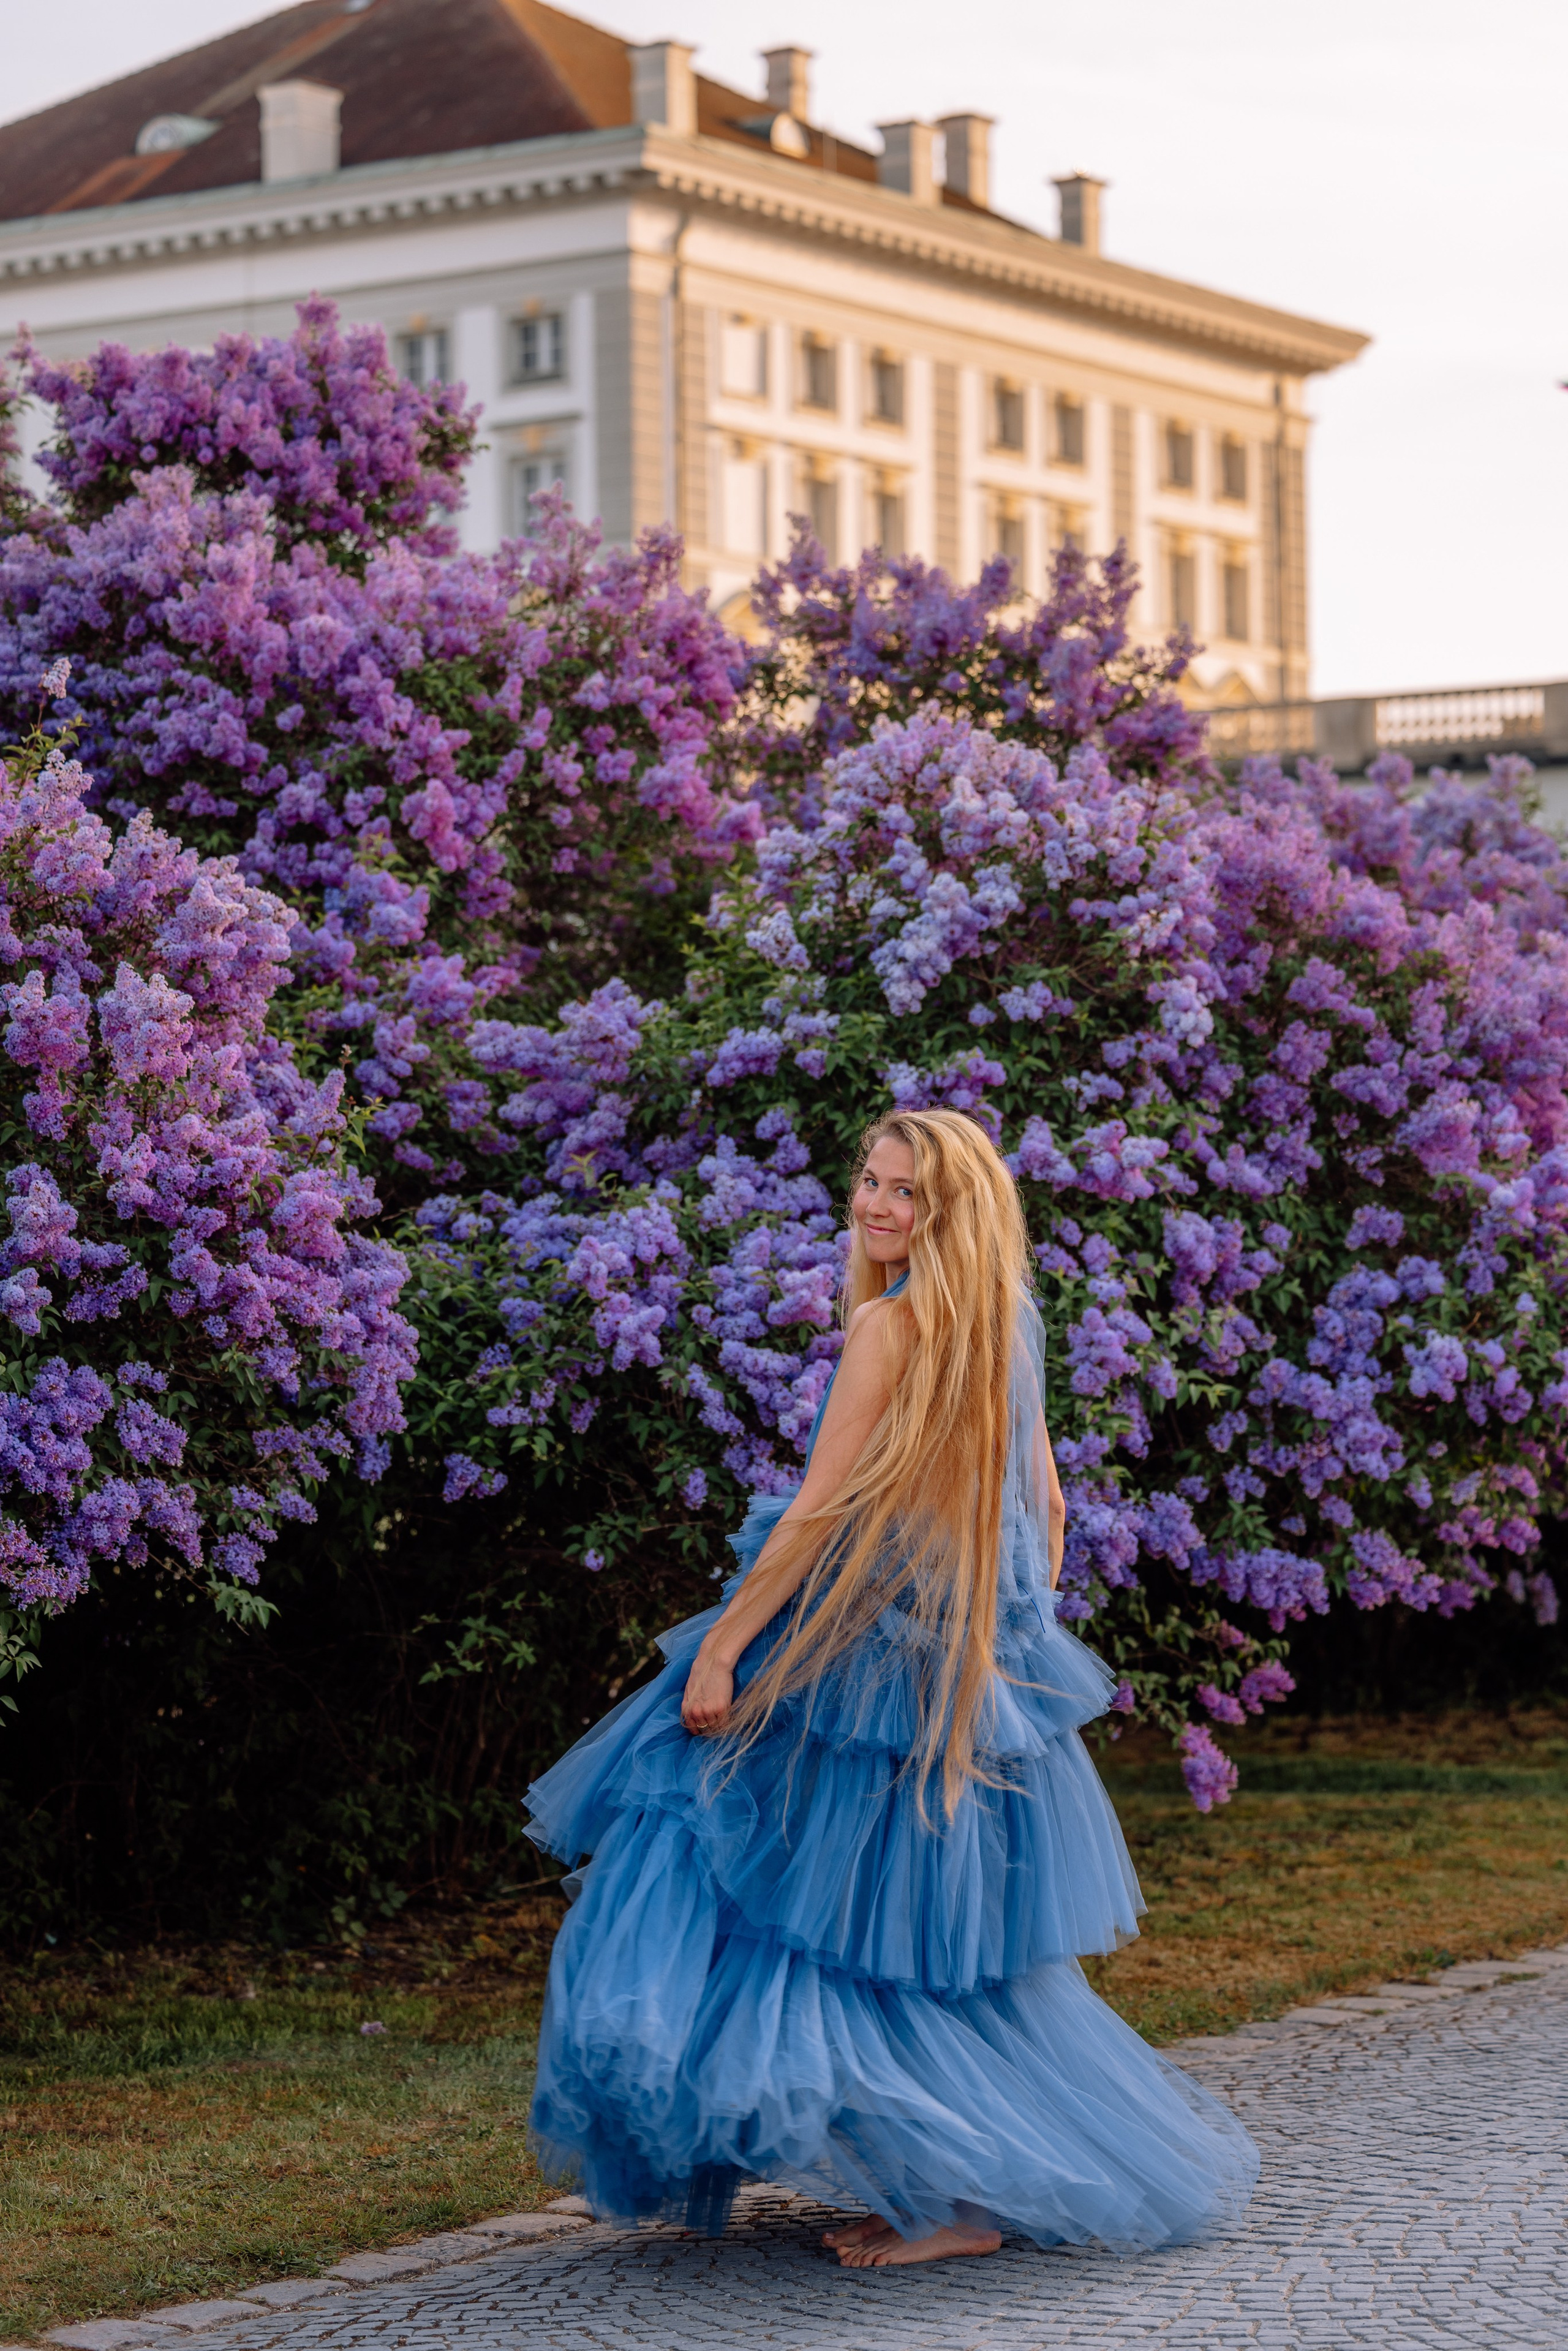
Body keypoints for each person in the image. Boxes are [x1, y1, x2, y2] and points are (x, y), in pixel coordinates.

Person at [523, 1109, 1259, 2267]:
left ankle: (950, 2200)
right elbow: (1050, 1510)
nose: (874, 1205)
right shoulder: (1004, 1320)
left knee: (749, 1862)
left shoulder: (892, 1325)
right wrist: (1006, 1626)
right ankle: (949, 2181)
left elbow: (820, 1513)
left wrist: (720, 1649)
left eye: (904, 1192)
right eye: (868, 1179)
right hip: (970, 1665)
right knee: (922, 1931)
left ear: (949, 1211)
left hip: (869, 1660)